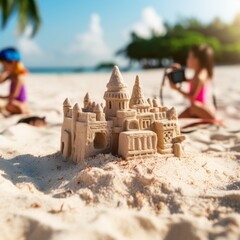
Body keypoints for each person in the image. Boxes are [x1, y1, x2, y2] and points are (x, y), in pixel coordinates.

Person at [168, 44, 216, 119]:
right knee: (177, 118)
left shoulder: (200, 76)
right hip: (198, 109)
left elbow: (192, 97)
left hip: (201, 109)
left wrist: (177, 89)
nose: (187, 59)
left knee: (193, 106)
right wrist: (178, 72)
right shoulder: (201, 72)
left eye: (189, 57)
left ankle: (213, 119)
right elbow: (192, 81)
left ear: (197, 60)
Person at [0, 47, 29, 114]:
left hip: (19, 102)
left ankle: (24, 109)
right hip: (12, 101)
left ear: (13, 63)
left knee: (10, 105)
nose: (3, 67)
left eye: (4, 65)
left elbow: (15, 95)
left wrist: (2, 97)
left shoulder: (19, 77)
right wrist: (4, 74)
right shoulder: (11, 75)